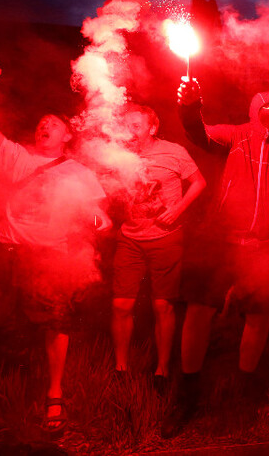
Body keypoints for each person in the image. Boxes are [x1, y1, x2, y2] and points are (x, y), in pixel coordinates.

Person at [166, 78, 269, 433]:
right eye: (264, 106)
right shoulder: (235, 136)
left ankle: (245, 392)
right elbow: (199, 134)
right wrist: (189, 106)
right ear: (253, 111)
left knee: (258, 312)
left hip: (263, 245)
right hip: (224, 240)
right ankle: (187, 394)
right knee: (199, 309)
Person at [0, 66, 112, 433]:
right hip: (5, 250)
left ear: (67, 135)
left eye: (52, 122)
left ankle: (54, 396)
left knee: (54, 324)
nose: (43, 125)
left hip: (48, 258)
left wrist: (98, 223)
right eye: (40, 122)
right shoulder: (18, 157)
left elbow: (98, 217)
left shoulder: (80, 173)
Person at [111, 104, 205, 390]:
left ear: (152, 128)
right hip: (130, 237)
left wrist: (178, 209)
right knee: (120, 304)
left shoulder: (173, 152)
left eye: (136, 125)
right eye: (126, 125)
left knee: (162, 306)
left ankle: (162, 370)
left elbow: (199, 182)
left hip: (166, 237)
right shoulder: (119, 155)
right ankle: (121, 368)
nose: (130, 130)